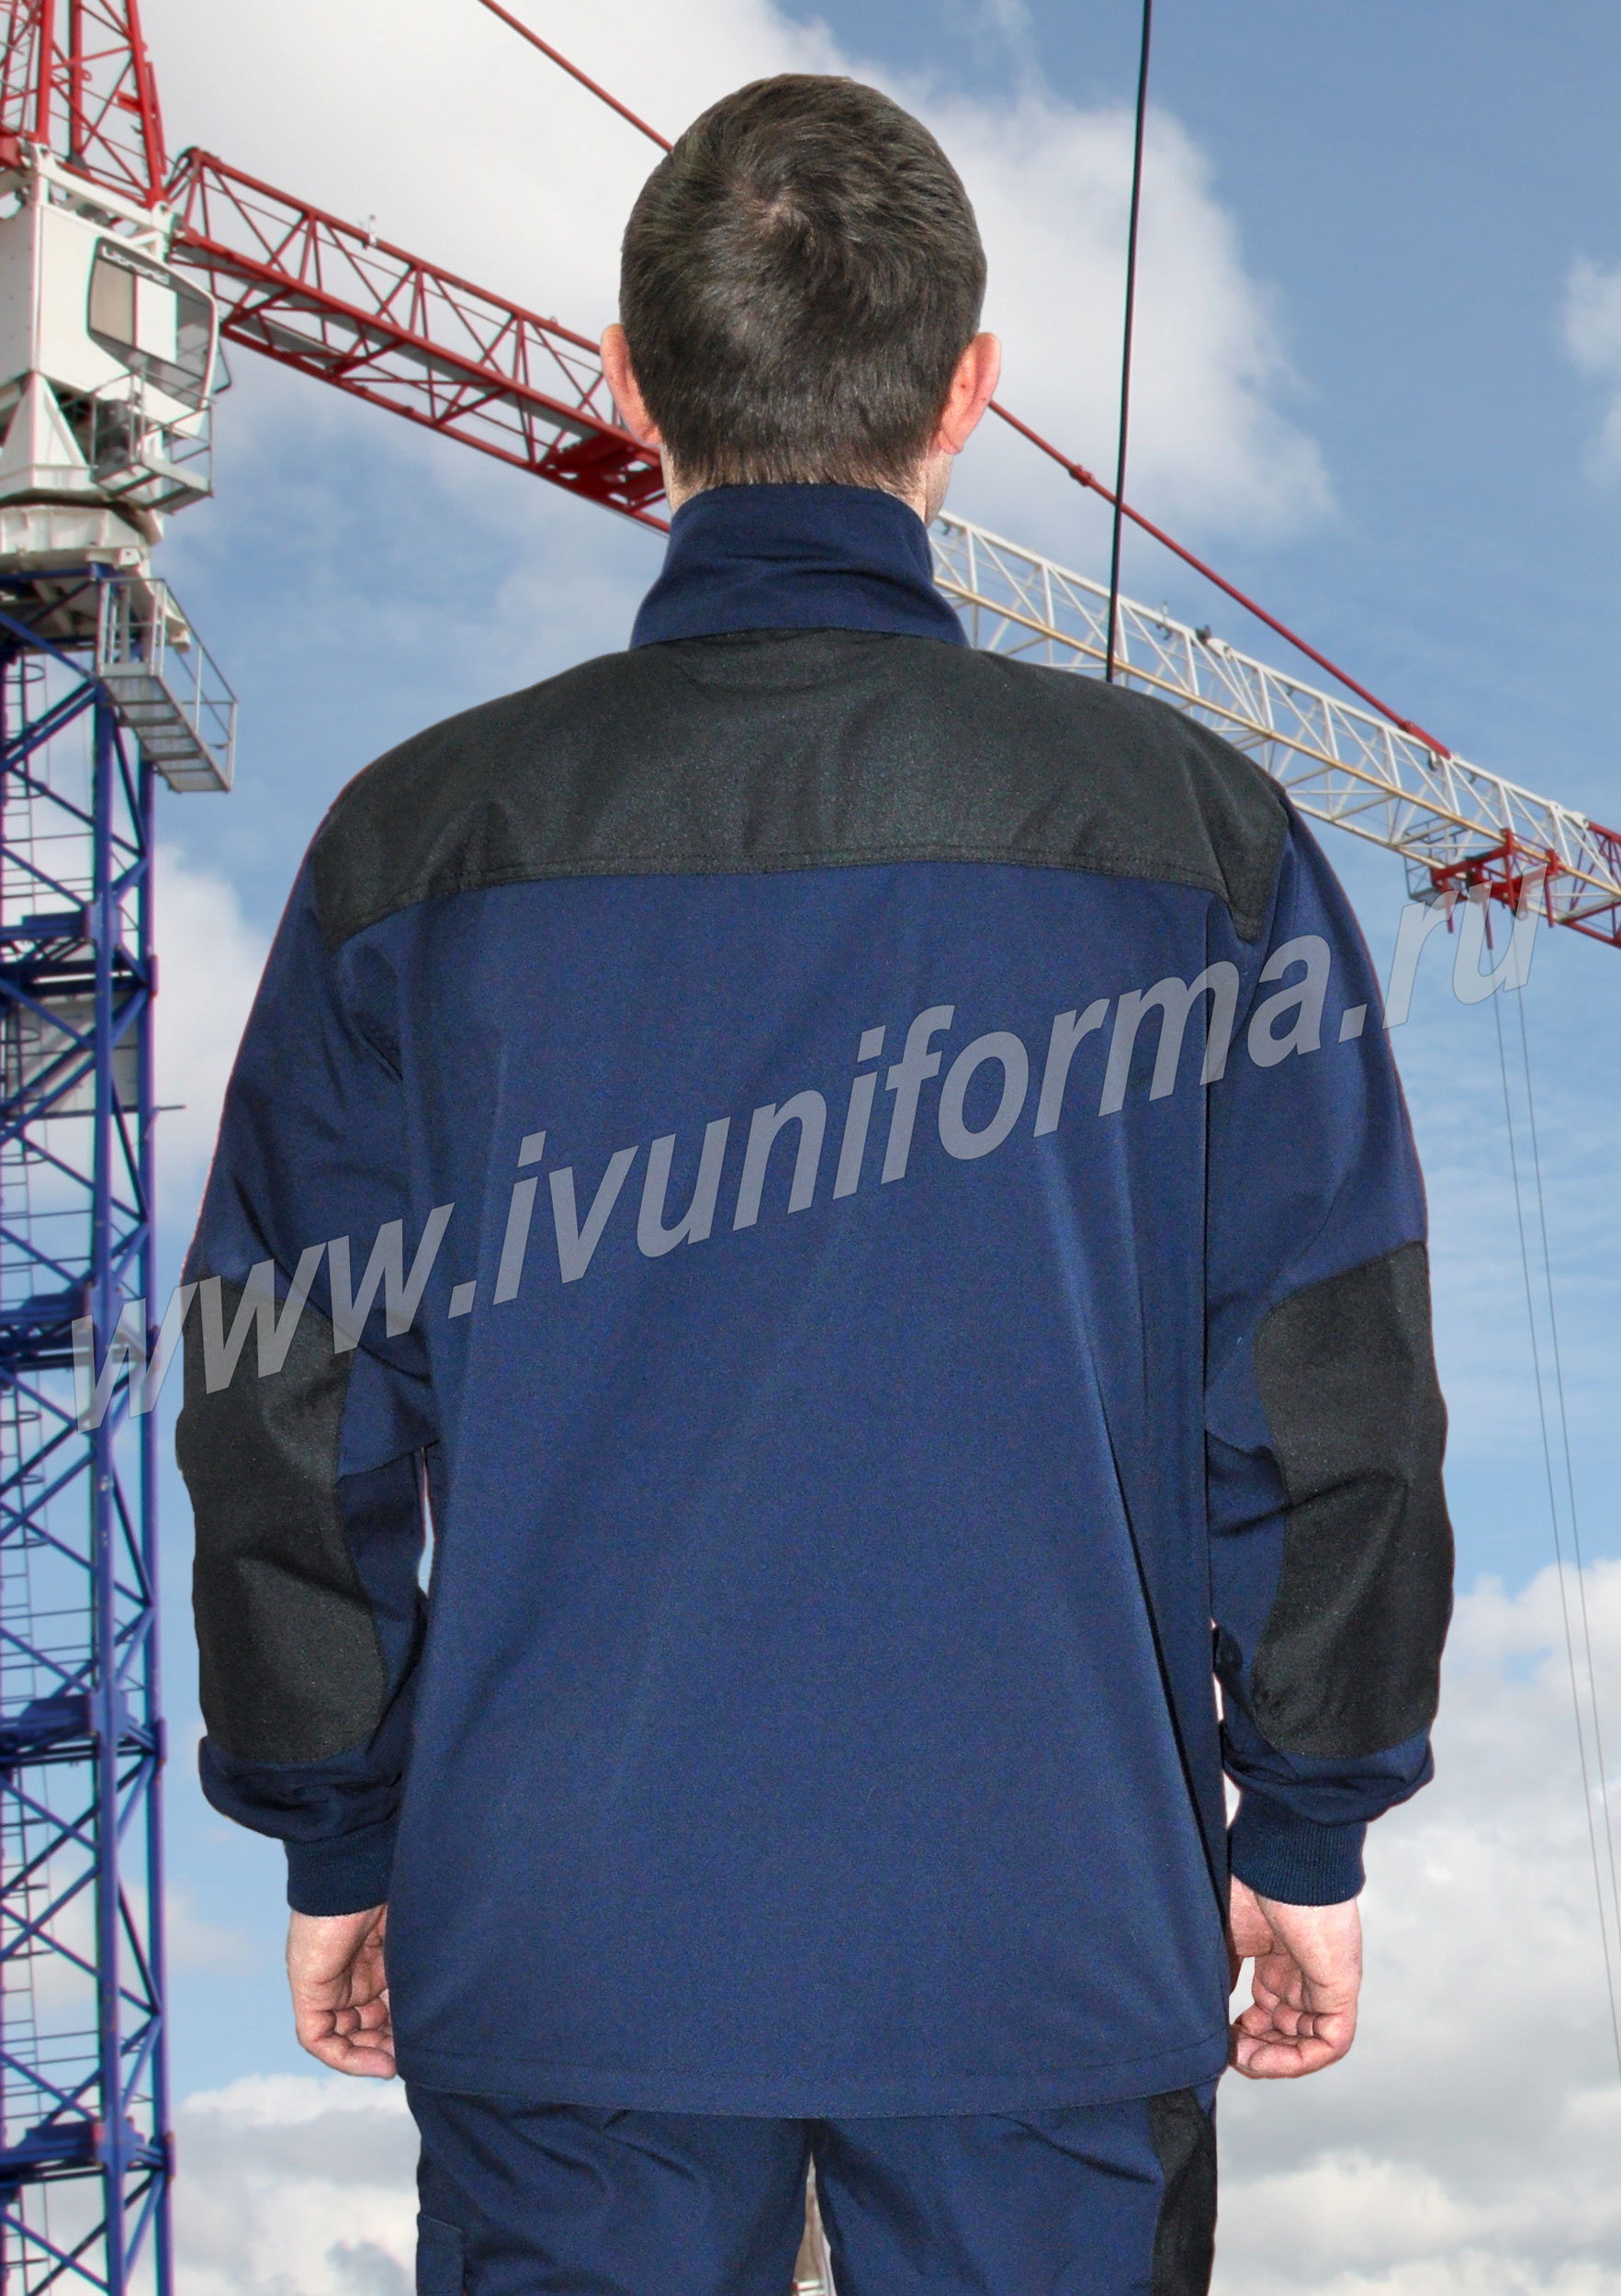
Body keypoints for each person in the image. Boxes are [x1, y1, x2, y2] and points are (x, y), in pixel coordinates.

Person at [177, 72, 1453, 2296]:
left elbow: (287, 1397)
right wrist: (1310, 1816)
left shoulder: (412, 848)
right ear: (968, 391)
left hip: (564, 1947)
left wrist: (337, 1821)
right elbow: (1325, 1379)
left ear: (624, 383)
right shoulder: (1196, 837)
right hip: (1048, 1944)